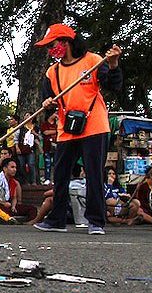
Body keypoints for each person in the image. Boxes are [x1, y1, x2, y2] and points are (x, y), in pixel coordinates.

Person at [32, 23, 123, 235]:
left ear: (65, 42)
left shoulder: (92, 60)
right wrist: (48, 104)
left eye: (52, 45)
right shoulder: (52, 72)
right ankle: (57, 220)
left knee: (93, 174)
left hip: (94, 125)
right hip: (67, 128)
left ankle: (96, 221)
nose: (50, 50)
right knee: (61, 174)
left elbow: (113, 86)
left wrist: (113, 64)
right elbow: (50, 99)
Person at [0, 157, 36, 223]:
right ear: (5, 169)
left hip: (8, 205)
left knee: (32, 209)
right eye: (12, 167)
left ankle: (30, 222)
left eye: (15, 167)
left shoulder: (13, 182)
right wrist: (3, 203)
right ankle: (9, 219)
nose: (15, 170)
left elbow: (14, 197)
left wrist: (13, 206)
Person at [14, 117, 38, 184]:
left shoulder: (35, 127)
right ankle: (25, 181)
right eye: (25, 115)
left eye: (28, 115)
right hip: (21, 149)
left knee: (31, 164)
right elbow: (16, 138)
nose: (26, 117)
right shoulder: (20, 127)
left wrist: (35, 133)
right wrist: (17, 147)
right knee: (21, 165)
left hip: (31, 149)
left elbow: (39, 137)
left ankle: (33, 181)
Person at [40, 112, 58, 184]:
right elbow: (46, 132)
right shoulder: (45, 124)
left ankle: (54, 179)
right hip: (47, 147)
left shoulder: (56, 124)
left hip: (56, 146)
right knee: (47, 163)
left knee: (56, 163)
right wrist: (55, 131)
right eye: (55, 113)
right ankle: (47, 178)